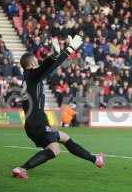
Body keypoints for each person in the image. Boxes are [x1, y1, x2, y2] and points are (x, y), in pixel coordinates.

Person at [12, 36, 105, 179]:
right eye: (36, 62)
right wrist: (58, 53)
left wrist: (67, 50)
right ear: (31, 64)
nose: (38, 63)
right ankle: (21, 168)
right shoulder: (33, 75)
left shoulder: (29, 77)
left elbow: (50, 66)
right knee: (55, 150)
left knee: (65, 138)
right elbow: (48, 66)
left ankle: (95, 159)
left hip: (34, 124)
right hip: (38, 123)